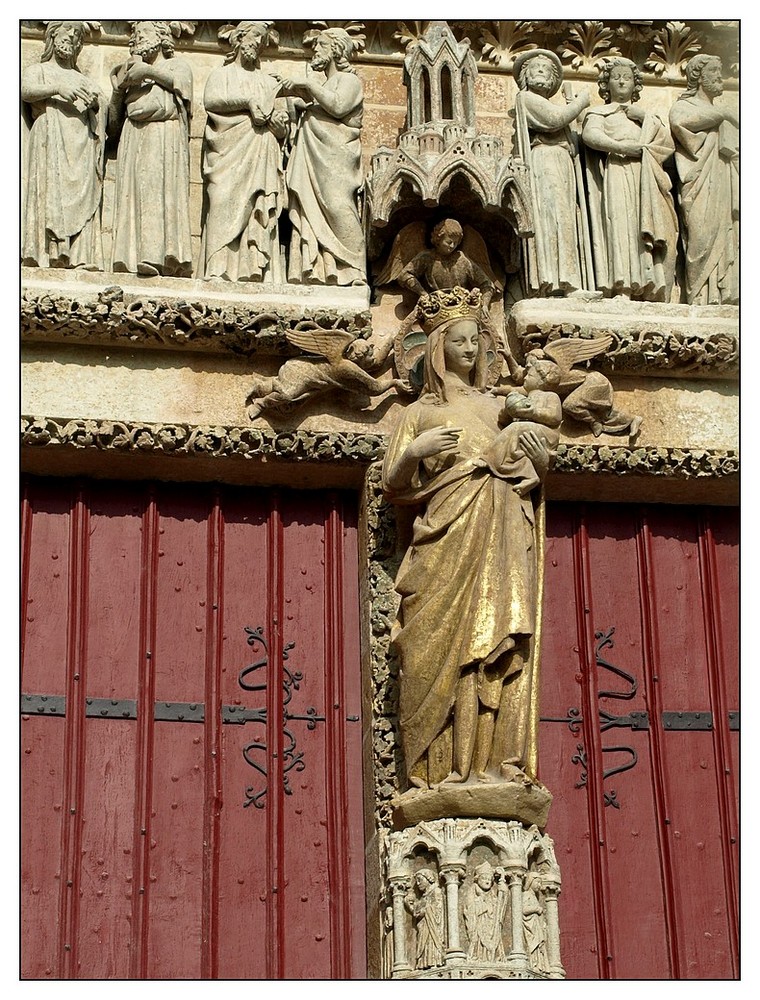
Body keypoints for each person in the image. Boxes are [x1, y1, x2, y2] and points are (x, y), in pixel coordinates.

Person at [382, 287, 553, 789]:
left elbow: (540, 456)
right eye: (459, 341)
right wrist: (417, 448)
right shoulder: (420, 413)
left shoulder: (498, 405)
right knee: (433, 649)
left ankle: (487, 765)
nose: (471, 349)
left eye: (476, 341)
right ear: (437, 348)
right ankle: (439, 771)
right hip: (446, 539)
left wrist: (531, 463)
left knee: (492, 648)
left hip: (499, 530)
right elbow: (394, 484)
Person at [582, 58, 677, 302]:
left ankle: (650, 285)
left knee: (644, 224)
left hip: (644, 176)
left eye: (627, 76)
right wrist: (623, 147)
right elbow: (590, 135)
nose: (622, 80)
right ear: (606, 84)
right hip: (618, 170)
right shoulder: (599, 112)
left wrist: (644, 117)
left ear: (636, 84)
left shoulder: (647, 118)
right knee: (621, 225)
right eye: (616, 77)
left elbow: (666, 146)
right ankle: (622, 285)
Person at [200, 22, 288, 282]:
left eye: (262, 40)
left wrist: (276, 122)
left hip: (261, 152)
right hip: (227, 154)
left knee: (258, 207)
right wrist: (247, 103)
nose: (258, 43)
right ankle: (218, 267)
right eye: (254, 36)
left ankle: (256, 270)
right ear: (239, 39)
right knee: (220, 201)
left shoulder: (268, 82)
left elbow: (282, 127)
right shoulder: (222, 74)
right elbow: (211, 101)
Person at [277, 27, 366, 285]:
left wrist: (308, 84)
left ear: (335, 49)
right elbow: (318, 110)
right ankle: (320, 268)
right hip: (314, 156)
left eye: (320, 45)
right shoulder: (325, 84)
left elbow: (338, 106)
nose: (315, 50)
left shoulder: (350, 81)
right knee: (309, 206)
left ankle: (353, 264)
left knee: (338, 207)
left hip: (335, 158)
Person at [109, 21, 193, 277]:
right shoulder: (131, 76)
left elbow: (184, 89)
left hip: (164, 138)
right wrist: (118, 90)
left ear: (160, 37)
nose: (137, 40)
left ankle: (159, 258)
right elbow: (112, 125)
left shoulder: (177, 65)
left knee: (159, 192)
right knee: (134, 195)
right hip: (134, 139)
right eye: (135, 35)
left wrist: (148, 71)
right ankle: (131, 256)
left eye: (144, 33)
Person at [21, 21, 106, 270]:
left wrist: (96, 106)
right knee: (48, 192)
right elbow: (25, 90)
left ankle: (80, 255)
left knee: (85, 194)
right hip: (50, 137)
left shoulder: (84, 80)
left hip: (81, 144)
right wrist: (58, 88)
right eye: (65, 32)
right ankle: (46, 252)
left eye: (76, 35)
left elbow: (105, 117)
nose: (70, 37)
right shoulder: (39, 70)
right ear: (51, 36)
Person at [513, 49, 590, 295]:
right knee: (554, 217)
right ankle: (558, 283)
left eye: (546, 69)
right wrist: (580, 103)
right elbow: (555, 119)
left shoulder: (546, 102)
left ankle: (568, 281)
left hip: (561, 162)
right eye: (536, 67)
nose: (542, 72)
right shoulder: (526, 99)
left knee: (566, 218)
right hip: (545, 160)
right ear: (526, 75)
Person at [669, 54, 738, 305]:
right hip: (697, 184)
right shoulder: (684, 106)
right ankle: (696, 297)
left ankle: (721, 295)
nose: (719, 77)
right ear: (698, 77)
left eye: (720, 71)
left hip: (723, 183)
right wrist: (723, 114)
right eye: (713, 72)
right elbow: (680, 124)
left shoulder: (724, 114)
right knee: (701, 234)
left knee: (727, 231)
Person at [484, 356, 563, 497]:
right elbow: (510, 391)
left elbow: (554, 416)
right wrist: (507, 411)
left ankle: (490, 459)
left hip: (546, 435)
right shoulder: (526, 396)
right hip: (529, 433)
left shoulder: (550, 396)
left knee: (516, 428)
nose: (525, 377)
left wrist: (533, 412)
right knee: (517, 449)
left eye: (530, 375)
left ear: (542, 381)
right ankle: (529, 475)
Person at [463, 863, 508, 962]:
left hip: (491, 925)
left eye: (489, 879)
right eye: (484, 878)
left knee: (492, 940)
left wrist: (503, 889)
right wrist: (483, 904)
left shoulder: (492, 894)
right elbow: (469, 908)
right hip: (478, 924)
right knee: (478, 941)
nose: (487, 881)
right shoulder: (473, 890)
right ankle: (478, 956)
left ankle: (491, 957)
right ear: (477, 879)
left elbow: (500, 906)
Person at [404, 869, 444, 970]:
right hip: (423, 926)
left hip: (433, 926)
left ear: (428, 879)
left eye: (420, 880)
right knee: (423, 943)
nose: (417, 884)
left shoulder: (436, 891)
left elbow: (438, 909)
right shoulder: (423, 897)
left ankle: (434, 962)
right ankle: (424, 963)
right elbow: (416, 912)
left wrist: (424, 911)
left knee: (431, 942)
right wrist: (410, 905)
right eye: (416, 881)